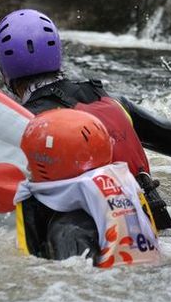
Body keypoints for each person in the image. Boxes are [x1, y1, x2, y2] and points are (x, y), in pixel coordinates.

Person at [0, 8, 171, 230]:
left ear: (4, 70)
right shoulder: (109, 101)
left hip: (96, 238)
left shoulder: (27, 123)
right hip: (154, 223)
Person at [12, 108, 159, 266]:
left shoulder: (67, 232)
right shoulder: (128, 192)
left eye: (31, 161)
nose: (28, 167)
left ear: (49, 165)